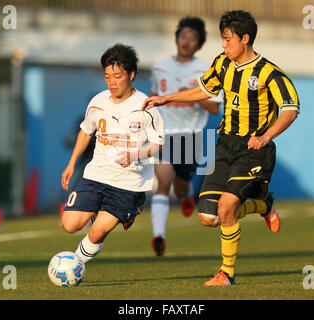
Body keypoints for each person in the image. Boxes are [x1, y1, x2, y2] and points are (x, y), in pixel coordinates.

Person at [143, 10, 299, 286]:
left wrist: (266, 137)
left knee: (227, 206)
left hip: (255, 149)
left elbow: (290, 109)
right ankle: (264, 203)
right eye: (222, 40)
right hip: (225, 146)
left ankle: (226, 274)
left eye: (228, 40)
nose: (223, 46)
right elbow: (205, 90)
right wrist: (167, 98)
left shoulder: (270, 73)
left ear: (245, 38)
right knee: (207, 217)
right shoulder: (222, 64)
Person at [60, 43, 164, 264]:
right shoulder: (98, 102)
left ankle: (75, 264)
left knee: (97, 232)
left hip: (129, 185)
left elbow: (158, 144)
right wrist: (71, 164)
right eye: (107, 76)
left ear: (131, 74)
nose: (112, 82)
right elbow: (86, 131)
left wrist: (136, 155)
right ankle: (96, 211)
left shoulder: (146, 106)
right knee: (69, 225)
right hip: (96, 176)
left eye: (117, 76)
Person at [149, 16, 222, 256]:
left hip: (190, 137)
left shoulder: (205, 70)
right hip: (163, 133)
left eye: (192, 39)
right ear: (177, 38)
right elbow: (152, 94)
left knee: (179, 187)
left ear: (199, 43)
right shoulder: (159, 67)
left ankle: (188, 194)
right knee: (164, 183)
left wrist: (191, 95)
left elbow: (214, 108)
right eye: (183, 37)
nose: (186, 42)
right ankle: (158, 236)